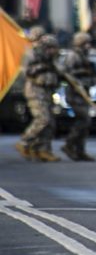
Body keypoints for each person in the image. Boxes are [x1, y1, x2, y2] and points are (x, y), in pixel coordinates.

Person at [17, 33, 61, 162]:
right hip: (35, 91)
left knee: (50, 123)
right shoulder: (32, 55)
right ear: (45, 47)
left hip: (48, 92)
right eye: (51, 48)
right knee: (43, 119)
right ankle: (25, 141)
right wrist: (43, 66)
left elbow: (59, 73)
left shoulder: (51, 59)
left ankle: (43, 149)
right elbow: (26, 72)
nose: (54, 51)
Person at [61, 32, 96, 161]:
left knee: (85, 122)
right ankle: (70, 144)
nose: (89, 46)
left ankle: (80, 150)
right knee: (83, 120)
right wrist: (81, 80)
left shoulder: (84, 56)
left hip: (84, 93)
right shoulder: (73, 56)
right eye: (86, 43)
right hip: (75, 94)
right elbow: (68, 73)